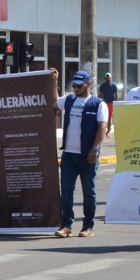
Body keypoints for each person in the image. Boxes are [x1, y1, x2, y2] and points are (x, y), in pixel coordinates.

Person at [50, 68, 108, 238]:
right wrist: (54, 81)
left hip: (88, 155)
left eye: (79, 85)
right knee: (66, 190)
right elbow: (55, 102)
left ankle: (88, 226)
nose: (75, 88)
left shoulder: (98, 103)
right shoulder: (69, 99)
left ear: (88, 84)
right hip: (69, 154)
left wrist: (95, 148)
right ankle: (66, 225)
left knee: (88, 191)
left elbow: (102, 127)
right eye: (74, 85)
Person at [98, 72, 118, 136]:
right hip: (104, 103)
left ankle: (108, 131)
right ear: (105, 78)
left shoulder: (114, 86)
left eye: (109, 78)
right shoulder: (102, 86)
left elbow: (116, 95)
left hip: (111, 103)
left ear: (111, 78)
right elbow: (100, 95)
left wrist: (117, 103)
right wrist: (99, 102)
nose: (108, 79)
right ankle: (103, 130)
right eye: (106, 78)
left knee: (109, 118)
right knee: (104, 117)